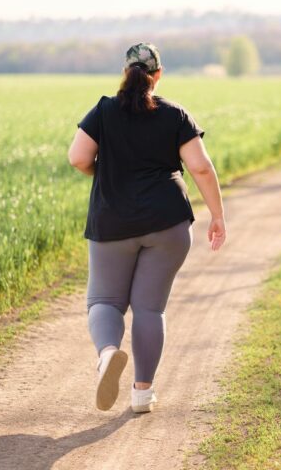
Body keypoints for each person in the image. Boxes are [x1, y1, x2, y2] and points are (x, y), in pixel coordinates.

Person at [67, 42, 226, 413]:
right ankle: (142, 393)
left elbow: (77, 157)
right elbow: (201, 167)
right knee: (149, 308)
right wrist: (217, 215)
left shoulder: (104, 110)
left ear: (126, 73)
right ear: (158, 74)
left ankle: (108, 353)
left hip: (112, 220)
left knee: (105, 301)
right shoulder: (175, 115)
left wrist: (102, 171)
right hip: (167, 222)